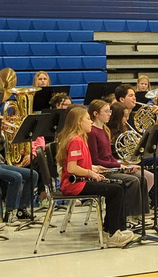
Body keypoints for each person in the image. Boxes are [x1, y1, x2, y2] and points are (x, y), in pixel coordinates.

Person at [57, 105, 136, 248]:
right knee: (116, 190)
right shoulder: (76, 140)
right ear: (79, 122)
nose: (91, 122)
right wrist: (90, 173)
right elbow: (72, 167)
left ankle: (111, 229)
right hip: (75, 185)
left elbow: (78, 164)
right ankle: (113, 233)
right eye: (88, 119)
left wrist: (93, 167)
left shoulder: (79, 138)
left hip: (80, 181)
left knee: (119, 185)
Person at [87, 99, 149, 225]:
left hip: (110, 167)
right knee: (133, 180)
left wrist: (124, 165)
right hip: (103, 170)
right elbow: (96, 160)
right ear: (96, 114)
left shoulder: (105, 130)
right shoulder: (92, 132)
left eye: (110, 111)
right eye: (106, 111)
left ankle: (139, 214)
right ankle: (128, 216)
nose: (109, 114)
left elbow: (109, 156)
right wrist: (119, 166)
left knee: (142, 178)